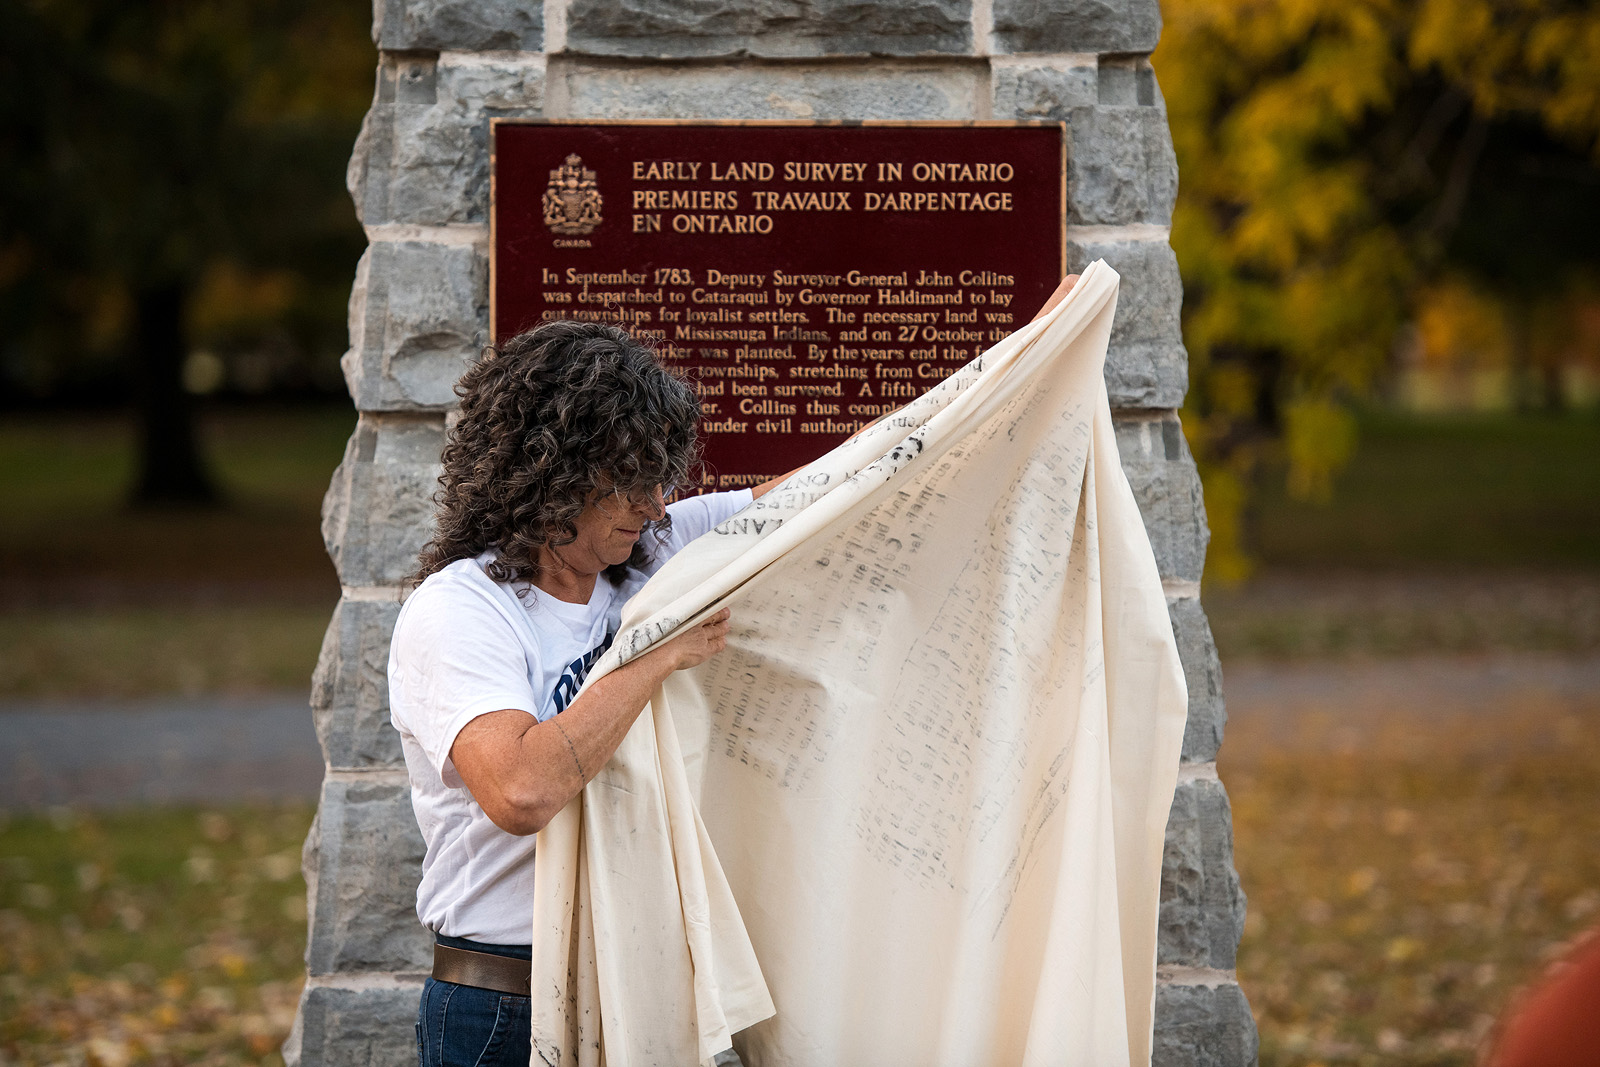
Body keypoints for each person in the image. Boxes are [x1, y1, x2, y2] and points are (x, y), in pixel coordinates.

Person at [391, 279, 1080, 1067]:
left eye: (663, 477)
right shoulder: (460, 612)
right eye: (633, 478)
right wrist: (652, 655)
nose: (657, 506)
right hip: (505, 1003)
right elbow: (521, 791)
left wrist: (1020, 364)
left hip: (641, 986)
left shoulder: (660, 552)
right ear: (554, 473)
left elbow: (843, 482)